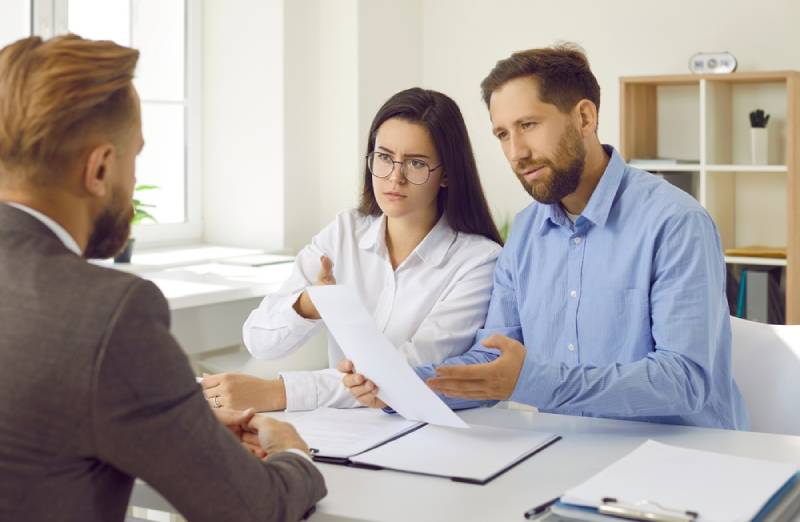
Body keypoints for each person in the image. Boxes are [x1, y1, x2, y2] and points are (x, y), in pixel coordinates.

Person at [0, 35, 325, 521]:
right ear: (101, 168)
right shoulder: (108, 313)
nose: (134, 181)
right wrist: (293, 454)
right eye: (136, 156)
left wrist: (177, 425)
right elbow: (252, 509)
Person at [342, 44, 749, 430]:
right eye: (502, 134)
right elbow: (493, 360)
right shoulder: (524, 234)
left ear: (585, 118)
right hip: (567, 453)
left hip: (683, 461)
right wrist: (394, 385)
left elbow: (684, 381)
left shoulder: (676, 223)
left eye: (528, 125)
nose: (516, 152)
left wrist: (533, 381)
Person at [201, 88, 502, 412]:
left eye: (416, 163)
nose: (395, 178)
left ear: (446, 174)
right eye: (385, 158)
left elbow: (406, 374)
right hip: (347, 430)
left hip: (438, 436)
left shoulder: (478, 262)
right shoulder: (344, 232)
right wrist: (308, 305)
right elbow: (259, 342)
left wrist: (279, 392)